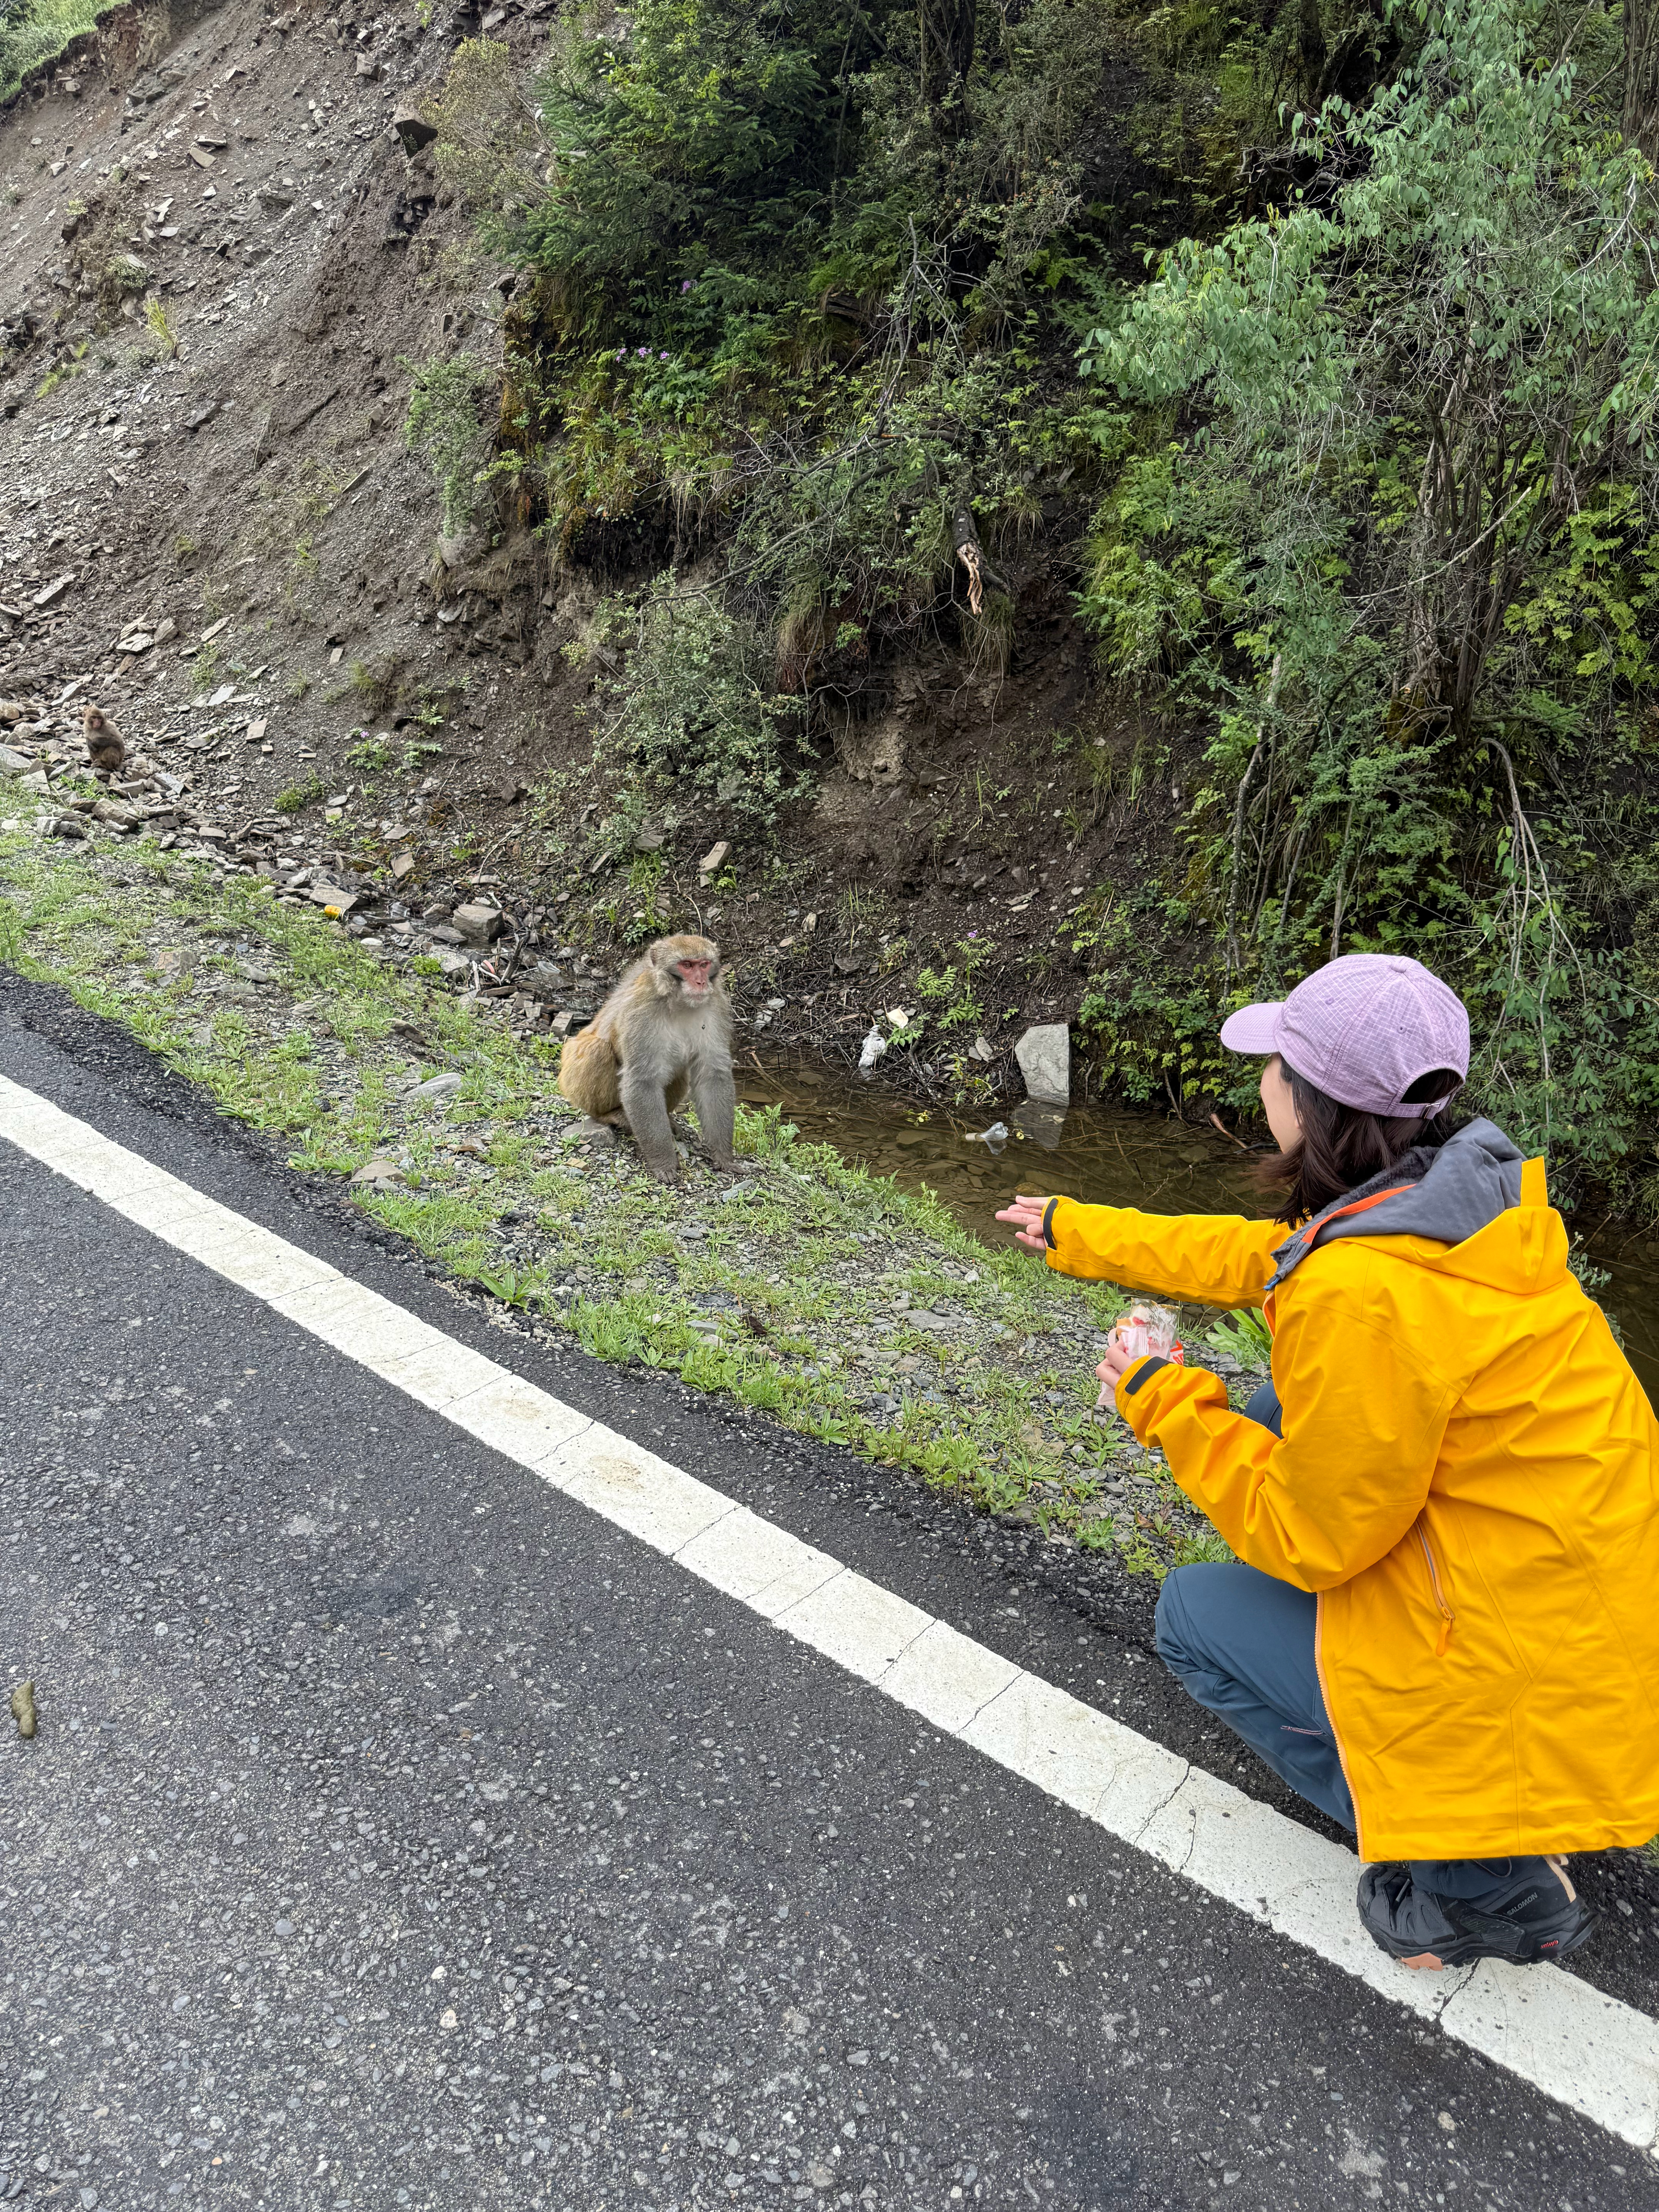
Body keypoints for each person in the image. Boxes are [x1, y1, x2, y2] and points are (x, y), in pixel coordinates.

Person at [997, 953, 1659, 1970]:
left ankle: (1473, 1877)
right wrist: (1076, 1231)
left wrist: (1157, 1393)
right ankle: (1495, 1804)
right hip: (1578, 1623)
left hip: (1513, 1668)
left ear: (1304, 1103)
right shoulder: (1458, 1199)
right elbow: (1261, 1263)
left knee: (1190, 1617)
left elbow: (1313, 1538)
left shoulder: (1361, 1296)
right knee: (1271, 1413)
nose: (1258, 1078)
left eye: (1271, 1064)